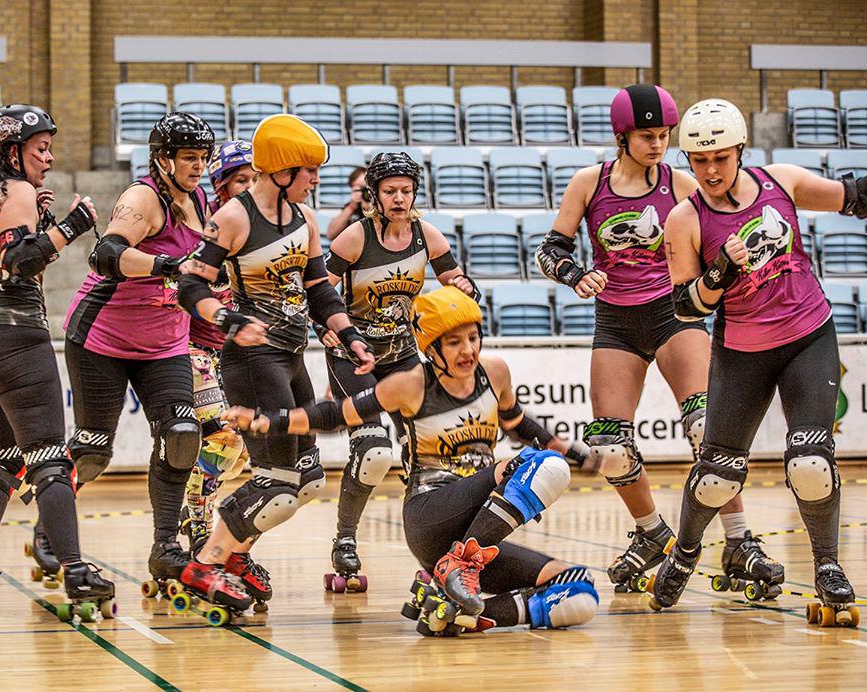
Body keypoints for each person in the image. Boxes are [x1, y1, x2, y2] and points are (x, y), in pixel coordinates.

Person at [226, 286, 598, 635]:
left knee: (580, 593)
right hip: (431, 514)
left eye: (472, 337)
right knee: (538, 466)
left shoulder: (495, 372)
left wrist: (576, 452)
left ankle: (453, 611)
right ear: (431, 348)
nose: (467, 350)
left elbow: (517, 422)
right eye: (453, 342)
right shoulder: (411, 384)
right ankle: (456, 568)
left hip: (475, 533)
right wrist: (269, 420)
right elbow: (338, 414)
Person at [535, 84, 779, 594]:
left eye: (664, 135)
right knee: (608, 443)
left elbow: (719, 239)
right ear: (621, 136)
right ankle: (650, 533)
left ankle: (739, 540)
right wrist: (575, 273)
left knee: (705, 428)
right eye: (647, 136)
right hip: (616, 322)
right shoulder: (589, 183)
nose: (657, 144)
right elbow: (550, 248)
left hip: (674, 315)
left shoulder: (682, 184)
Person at [650, 99, 866, 626]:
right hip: (743, 351)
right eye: (699, 162)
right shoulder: (685, 219)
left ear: (740, 151)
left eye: (721, 158)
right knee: (717, 477)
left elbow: (854, 198)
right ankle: (686, 551)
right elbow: (686, 307)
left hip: (807, 336)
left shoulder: (782, 182)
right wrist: (718, 273)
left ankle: (828, 565)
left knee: (811, 463)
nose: (711, 171)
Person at [58, 112, 263, 612]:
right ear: (162, 159)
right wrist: (170, 264)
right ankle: (51, 523)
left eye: (202, 158)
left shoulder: (197, 201)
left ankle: (166, 546)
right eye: (188, 158)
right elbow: (105, 255)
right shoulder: (142, 198)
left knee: (182, 436)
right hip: (103, 335)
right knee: (93, 452)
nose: (198, 166)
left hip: (166, 341)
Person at [175, 113, 375, 610]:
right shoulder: (235, 218)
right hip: (250, 360)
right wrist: (227, 321)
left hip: (290, 355)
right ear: (282, 169)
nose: (315, 180)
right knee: (280, 483)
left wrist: (348, 335)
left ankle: (233, 552)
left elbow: (318, 289)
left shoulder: (305, 220)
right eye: (308, 171)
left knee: (307, 478)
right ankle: (208, 560)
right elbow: (190, 285)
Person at [0, 104, 113, 615]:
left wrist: (38, 218)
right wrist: (73, 224)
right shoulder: (15, 191)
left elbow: (2, 248)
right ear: (12, 151)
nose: (50, 156)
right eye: (40, 148)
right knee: (48, 458)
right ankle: (77, 572)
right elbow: (20, 263)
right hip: (13, 338)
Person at [318, 151, 479, 590]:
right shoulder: (355, 238)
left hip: (404, 354)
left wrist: (466, 289)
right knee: (373, 452)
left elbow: (456, 281)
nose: (399, 198)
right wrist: (328, 328)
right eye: (390, 191)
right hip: (356, 357)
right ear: (374, 195)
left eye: (406, 191)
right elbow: (318, 291)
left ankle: (435, 544)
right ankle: (345, 540)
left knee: (427, 453)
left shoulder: (426, 235)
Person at [178, 139, 272, 611]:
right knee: (224, 438)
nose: (252, 190)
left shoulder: (263, 228)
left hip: (231, 354)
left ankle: (198, 521)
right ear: (222, 188)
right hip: (190, 347)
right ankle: (197, 525)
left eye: (256, 180)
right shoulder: (214, 229)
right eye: (242, 182)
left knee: (250, 454)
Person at [326, 166, 373, 240]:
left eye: (365, 187)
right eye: (359, 189)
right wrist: (351, 207)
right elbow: (331, 235)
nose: (364, 192)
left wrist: (370, 209)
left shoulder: (381, 205)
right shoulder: (351, 207)